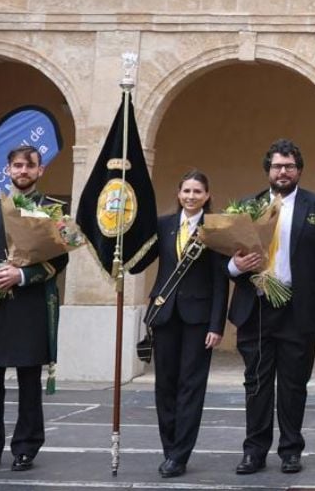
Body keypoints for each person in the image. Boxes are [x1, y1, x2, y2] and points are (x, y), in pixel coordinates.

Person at [227, 139, 315, 476]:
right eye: (277, 166)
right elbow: (229, 261)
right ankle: (254, 451)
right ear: (268, 170)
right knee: (257, 384)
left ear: (299, 170)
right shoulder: (246, 207)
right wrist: (235, 267)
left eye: (289, 166)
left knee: (293, 385)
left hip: (298, 309)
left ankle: (291, 450)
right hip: (256, 308)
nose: (283, 171)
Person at [0, 145, 69, 473]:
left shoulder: (54, 212)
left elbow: (60, 258)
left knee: (28, 379)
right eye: (17, 165)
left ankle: (26, 447)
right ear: (8, 170)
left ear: (40, 171)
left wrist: (20, 275)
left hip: (30, 303)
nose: (23, 171)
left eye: (30, 166)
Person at [134, 171, 227, 478]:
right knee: (165, 386)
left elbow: (219, 281)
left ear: (207, 195)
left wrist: (217, 324)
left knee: (191, 386)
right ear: (178, 194)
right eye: (186, 190)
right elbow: (141, 259)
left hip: (199, 320)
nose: (190, 196)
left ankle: (180, 454)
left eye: (197, 191)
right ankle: (168, 448)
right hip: (165, 314)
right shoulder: (163, 225)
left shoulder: (214, 229)